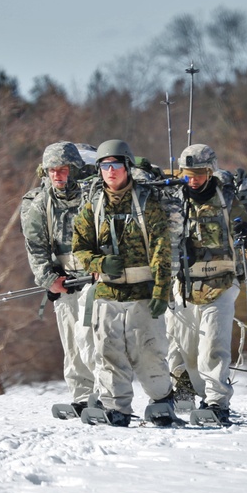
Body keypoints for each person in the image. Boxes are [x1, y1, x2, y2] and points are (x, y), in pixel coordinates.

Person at [72, 139, 175, 427]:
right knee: (108, 352)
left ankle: (162, 399)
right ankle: (115, 406)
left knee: (149, 350)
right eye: (105, 166)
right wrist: (99, 264)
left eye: (116, 165)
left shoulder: (146, 203)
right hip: (107, 292)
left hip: (143, 292)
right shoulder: (92, 207)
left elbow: (161, 249)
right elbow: (79, 248)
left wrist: (161, 290)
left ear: (127, 167)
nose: (111, 171)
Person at [168, 144, 247, 425]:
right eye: (188, 174)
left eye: (198, 173)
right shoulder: (172, 200)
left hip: (221, 284)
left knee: (214, 345)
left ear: (210, 171)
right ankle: (185, 389)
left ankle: (216, 401)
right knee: (183, 346)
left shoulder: (229, 200)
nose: (193, 179)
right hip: (184, 284)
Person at [20, 142, 95, 416]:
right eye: (52, 171)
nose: (58, 176)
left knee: (91, 339)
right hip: (64, 281)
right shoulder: (40, 203)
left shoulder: (93, 197)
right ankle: (82, 397)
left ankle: (107, 395)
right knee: (72, 343)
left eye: (63, 170)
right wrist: (48, 278)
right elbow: (35, 245)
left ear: (74, 170)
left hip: (94, 279)